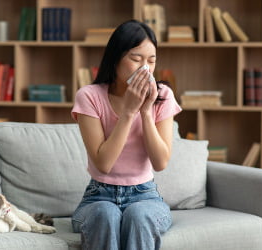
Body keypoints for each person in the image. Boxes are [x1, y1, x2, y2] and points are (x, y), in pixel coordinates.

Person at [71, 19, 182, 250]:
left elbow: (160, 162)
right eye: (135, 59)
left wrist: (145, 111)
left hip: (146, 196)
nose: (145, 69)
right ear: (116, 58)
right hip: (98, 196)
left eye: (151, 61)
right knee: (106, 213)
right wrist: (129, 112)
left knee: (139, 215)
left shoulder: (163, 95)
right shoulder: (89, 96)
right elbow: (104, 163)